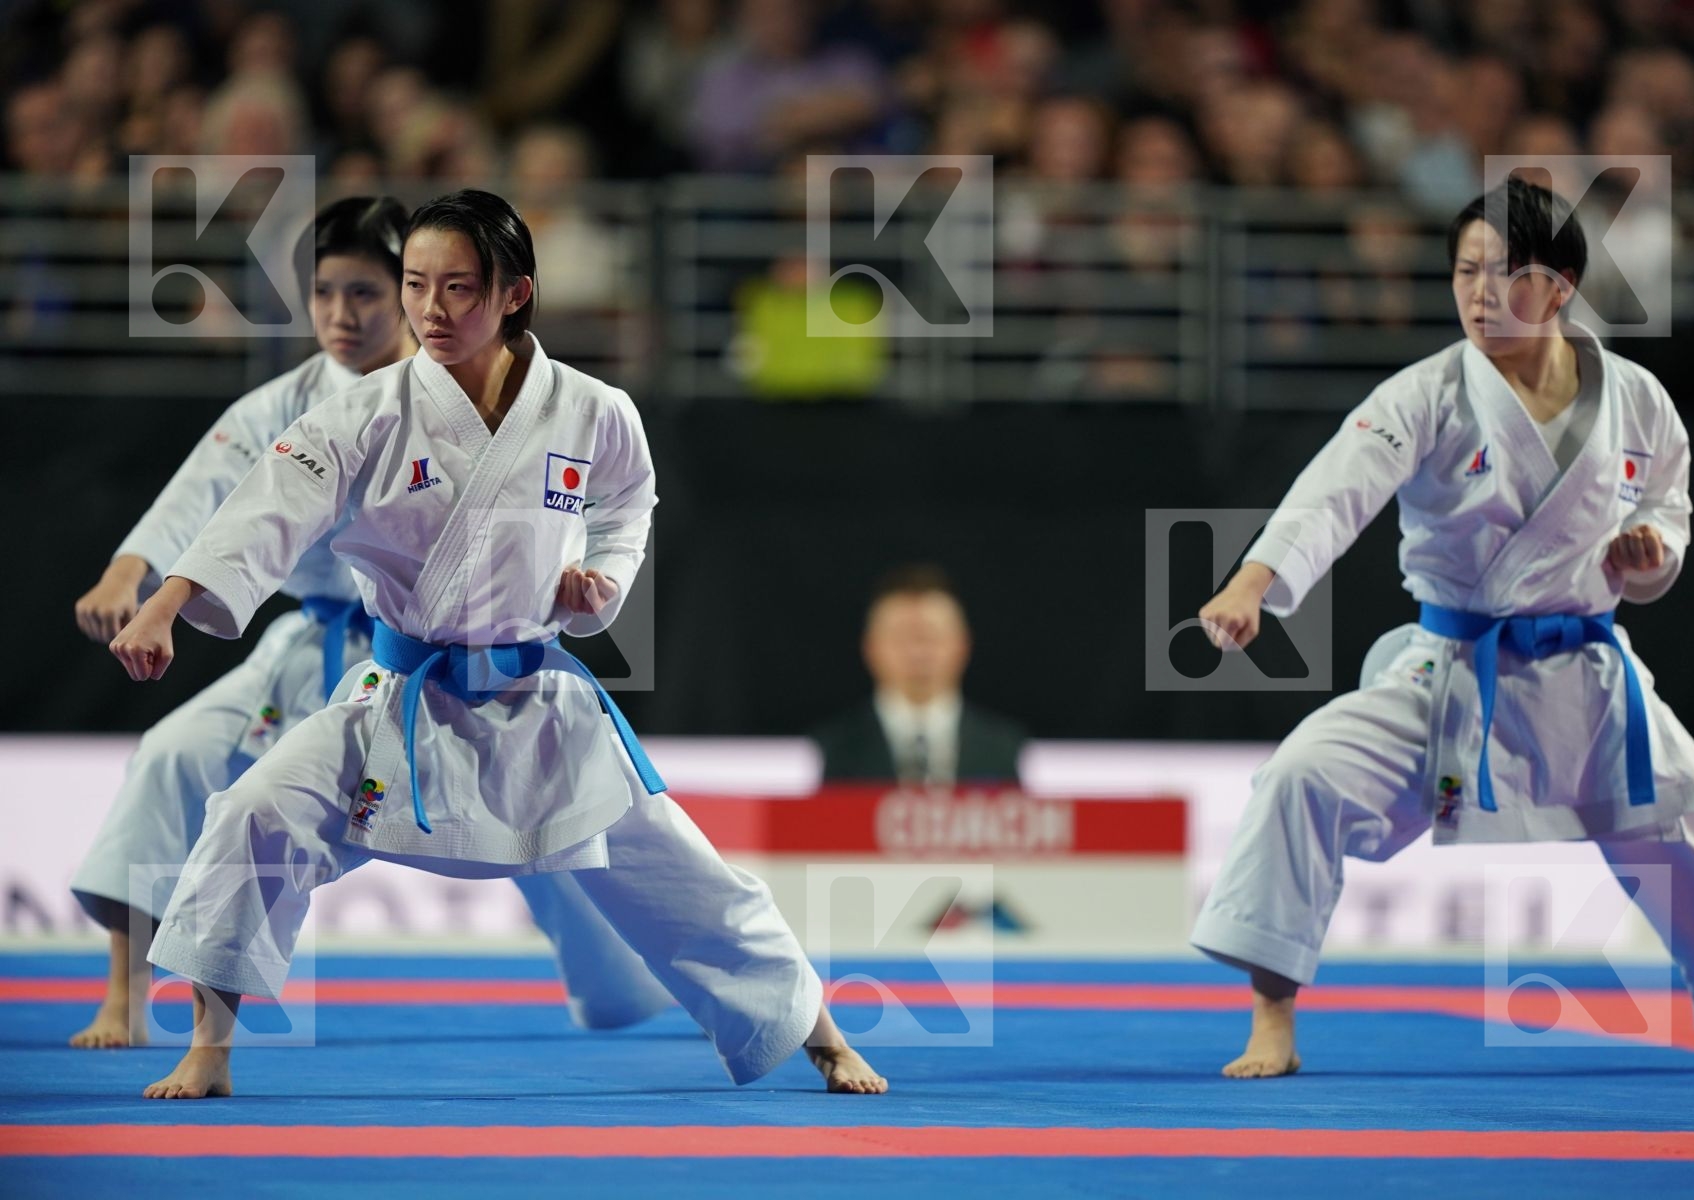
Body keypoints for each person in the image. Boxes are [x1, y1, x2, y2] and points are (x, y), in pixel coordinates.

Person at [108, 189, 884, 1100]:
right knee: (251, 814)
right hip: (397, 701)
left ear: (514, 293)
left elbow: (627, 513)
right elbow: (264, 513)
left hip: (539, 707)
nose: (431, 311)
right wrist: (168, 599)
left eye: (459, 289)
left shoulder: (596, 412)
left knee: (691, 879)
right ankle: (209, 1046)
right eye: (415, 285)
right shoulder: (368, 412)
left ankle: (822, 1036)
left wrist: (600, 586)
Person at [1189, 177, 1694, 1078]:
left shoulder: (1637, 399)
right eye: (1466, 271)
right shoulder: (1425, 394)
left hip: (1596, 691)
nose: (1480, 292)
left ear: (1559, 287)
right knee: (1301, 777)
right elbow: (1331, 495)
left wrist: (1650, 555)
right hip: (1450, 677)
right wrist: (1251, 582)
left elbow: (1670, 512)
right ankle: (1272, 1019)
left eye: (1506, 274)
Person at [69, 196, 673, 1050]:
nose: (343, 317)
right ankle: (127, 995)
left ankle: (615, 987)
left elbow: (609, 503)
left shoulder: (486, 392)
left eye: (367, 294)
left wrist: (595, 582)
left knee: (549, 830)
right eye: (324, 295)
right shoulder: (298, 403)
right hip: (320, 648)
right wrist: (136, 577)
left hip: (463, 661)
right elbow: (213, 505)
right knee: (174, 757)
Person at [813, 565, 1027, 785]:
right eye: (902, 637)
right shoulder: (831, 749)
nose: (918, 652)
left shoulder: (1004, 747)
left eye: (930, 636)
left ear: (962, 645)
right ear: (871, 648)